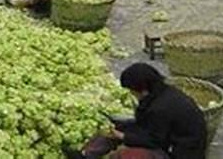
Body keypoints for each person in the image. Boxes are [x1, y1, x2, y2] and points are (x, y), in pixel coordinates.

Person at [64, 63, 207, 159]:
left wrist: (123, 136)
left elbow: (155, 141)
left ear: (143, 90)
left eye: (132, 90)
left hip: (177, 152)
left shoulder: (161, 108)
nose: (132, 94)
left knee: (125, 155)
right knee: (113, 131)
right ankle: (85, 155)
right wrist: (119, 130)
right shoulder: (158, 93)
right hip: (162, 136)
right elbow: (145, 125)